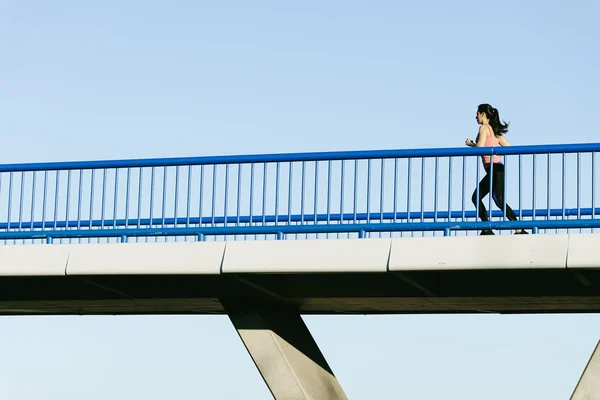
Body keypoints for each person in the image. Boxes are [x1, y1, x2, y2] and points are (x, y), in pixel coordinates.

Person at [465, 104, 527, 235]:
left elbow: (481, 148)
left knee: (477, 197)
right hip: (497, 168)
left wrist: (473, 146)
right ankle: (518, 228)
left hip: (494, 169)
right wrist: (492, 152)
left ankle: (487, 228)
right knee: (497, 199)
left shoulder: (483, 128)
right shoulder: (494, 130)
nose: (475, 116)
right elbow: (509, 148)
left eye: (477, 113)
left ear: (483, 114)